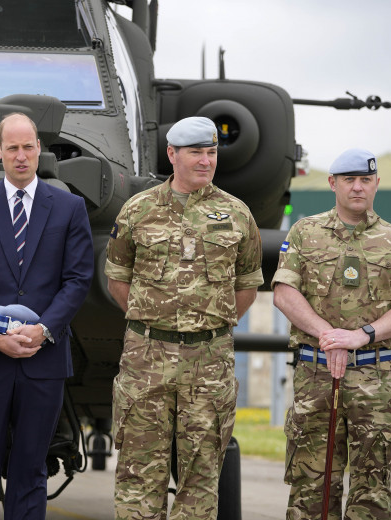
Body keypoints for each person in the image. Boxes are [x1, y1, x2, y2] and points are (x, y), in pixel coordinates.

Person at [105, 116, 263, 519]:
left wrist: (206, 324)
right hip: (146, 361)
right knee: (140, 475)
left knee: (202, 477)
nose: (206, 161)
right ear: (172, 154)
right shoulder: (138, 210)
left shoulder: (237, 214)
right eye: (196, 152)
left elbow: (247, 285)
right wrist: (154, 324)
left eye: (211, 153)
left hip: (209, 363)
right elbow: (118, 280)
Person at [0, 112, 94, 519]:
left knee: (31, 468)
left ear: (39, 150)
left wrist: (43, 329)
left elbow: (78, 279)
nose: (21, 155)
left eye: (28, 146)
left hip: (42, 358)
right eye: (11, 147)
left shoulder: (69, 208)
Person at [272, 148, 391, 520]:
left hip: (376, 378)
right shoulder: (304, 234)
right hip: (317, 374)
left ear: (376, 184)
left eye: (365, 180)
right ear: (333, 183)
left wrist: (361, 336)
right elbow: (284, 293)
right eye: (349, 180)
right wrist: (329, 334)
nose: (358, 187)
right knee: (311, 485)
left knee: (372, 488)